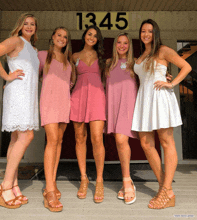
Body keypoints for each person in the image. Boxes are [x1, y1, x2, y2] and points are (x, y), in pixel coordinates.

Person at [131, 19, 192, 209]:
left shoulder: (163, 50)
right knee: (146, 143)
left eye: (150, 31)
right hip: (145, 100)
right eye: (143, 31)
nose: (146, 34)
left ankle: (165, 191)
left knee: (166, 143)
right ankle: (165, 189)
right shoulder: (142, 54)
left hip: (160, 99)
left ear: (155, 33)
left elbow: (186, 67)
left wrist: (171, 84)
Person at [0, 13, 39, 209]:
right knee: (27, 136)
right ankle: (5, 186)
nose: (29, 26)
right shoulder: (15, 40)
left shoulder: (32, 48)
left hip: (28, 96)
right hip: (18, 95)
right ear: (19, 26)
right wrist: (6, 76)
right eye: (25, 23)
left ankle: (14, 186)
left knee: (17, 139)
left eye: (32, 24)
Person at [38, 27, 75, 212]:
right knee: (52, 141)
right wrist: (10, 82)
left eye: (65, 37)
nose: (62, 39)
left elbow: (70, 83)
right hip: (49, 102)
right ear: (53, 37)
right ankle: (50, 189)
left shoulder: (69, 61)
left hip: (64, 103)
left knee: (59, 141)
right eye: (59, 35)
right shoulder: (42, 55)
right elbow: (30, 74)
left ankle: (50, 183)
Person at [70, 25, 106, 203]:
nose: (92, 37)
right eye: (89, 34)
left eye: (95, 36)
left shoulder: (102, 59)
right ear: (84, 35)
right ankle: (84, 178)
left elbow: (119, 73)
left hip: (98, 98)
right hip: (78, 98)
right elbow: (64, 77)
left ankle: (99, 180)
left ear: (98, 39)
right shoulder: (74, 57)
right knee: (79, 138)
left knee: (97, 138)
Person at [105, 33, 138, 205]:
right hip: (114, 107)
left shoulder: (136, 63)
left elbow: (149, 77)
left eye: (126, 43)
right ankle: (127, 180)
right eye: (119, 42)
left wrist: (166, 78)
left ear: (129, 45)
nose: (122, 45)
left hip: (129, 108)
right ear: (115, 44)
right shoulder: (109, 63)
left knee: (120, 140)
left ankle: (126, 181)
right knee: (119, 142)